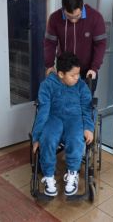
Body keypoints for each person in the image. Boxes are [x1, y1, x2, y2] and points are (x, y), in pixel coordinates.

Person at [32, 52, 94, 197]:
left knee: (76, 139)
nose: (77, 78)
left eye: (78, 74)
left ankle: (72, 174)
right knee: (47, 139)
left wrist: (88, 128)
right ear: (60, 74)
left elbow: (87, 109)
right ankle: (48, 176)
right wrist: (37, 137)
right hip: (54, 118)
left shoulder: (81, 86)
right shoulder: (47, 85)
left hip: (75, 119)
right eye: (73, 75)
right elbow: (43, 112)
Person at [44, 0, 107, 92]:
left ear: (82, 7)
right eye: (69, 17)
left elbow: (100, 45)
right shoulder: (55, 18)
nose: (73, 20)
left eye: (77, 16)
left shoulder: (95, 18)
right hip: (65, 72)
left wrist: (94, 67)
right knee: (62, 102)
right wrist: (49, 65)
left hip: (87, 72)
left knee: (84, 104)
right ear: (63, 9)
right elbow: (50, 44)